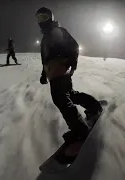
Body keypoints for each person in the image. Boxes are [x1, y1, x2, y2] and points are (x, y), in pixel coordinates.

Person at [35, 7, 103, 142]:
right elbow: (46, 59)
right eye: (39, 18)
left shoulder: (58, 31)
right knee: (70, 95)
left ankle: (80, 130)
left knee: (60, 99)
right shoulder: (45, 38)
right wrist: (44, 74)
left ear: (51, 17)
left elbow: (74, 46)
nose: (42, 21)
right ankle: (93, 106)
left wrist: (73, 62)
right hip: (53, 72)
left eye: (44, 17)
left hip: (60, 68)